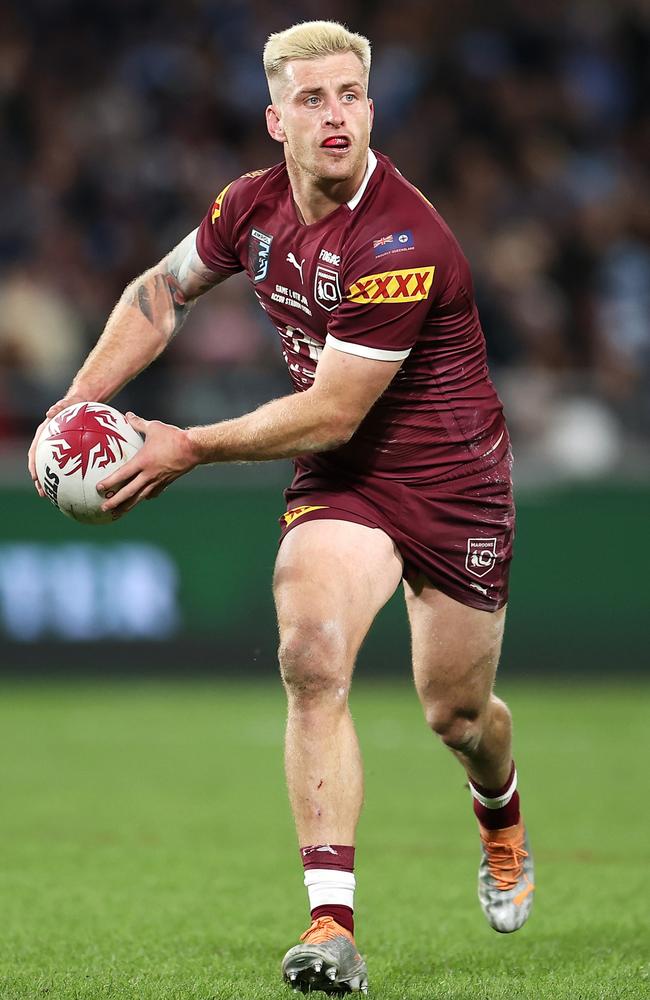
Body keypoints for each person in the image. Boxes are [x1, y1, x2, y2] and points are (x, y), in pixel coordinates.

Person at [29, 20, 534, 995]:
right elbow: (157, 293)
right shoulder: (248, 208)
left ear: (371, 108)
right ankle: (330, 925)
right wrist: (77, 402)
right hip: (341, 479)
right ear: (276, 119)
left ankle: (499, 808)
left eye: (349, 95)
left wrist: (187, 444)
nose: (334, 114)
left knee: (456, 713)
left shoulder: (399, 235)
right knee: (308, 654)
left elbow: (336, 407)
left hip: (449, 480)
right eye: (312, 99)